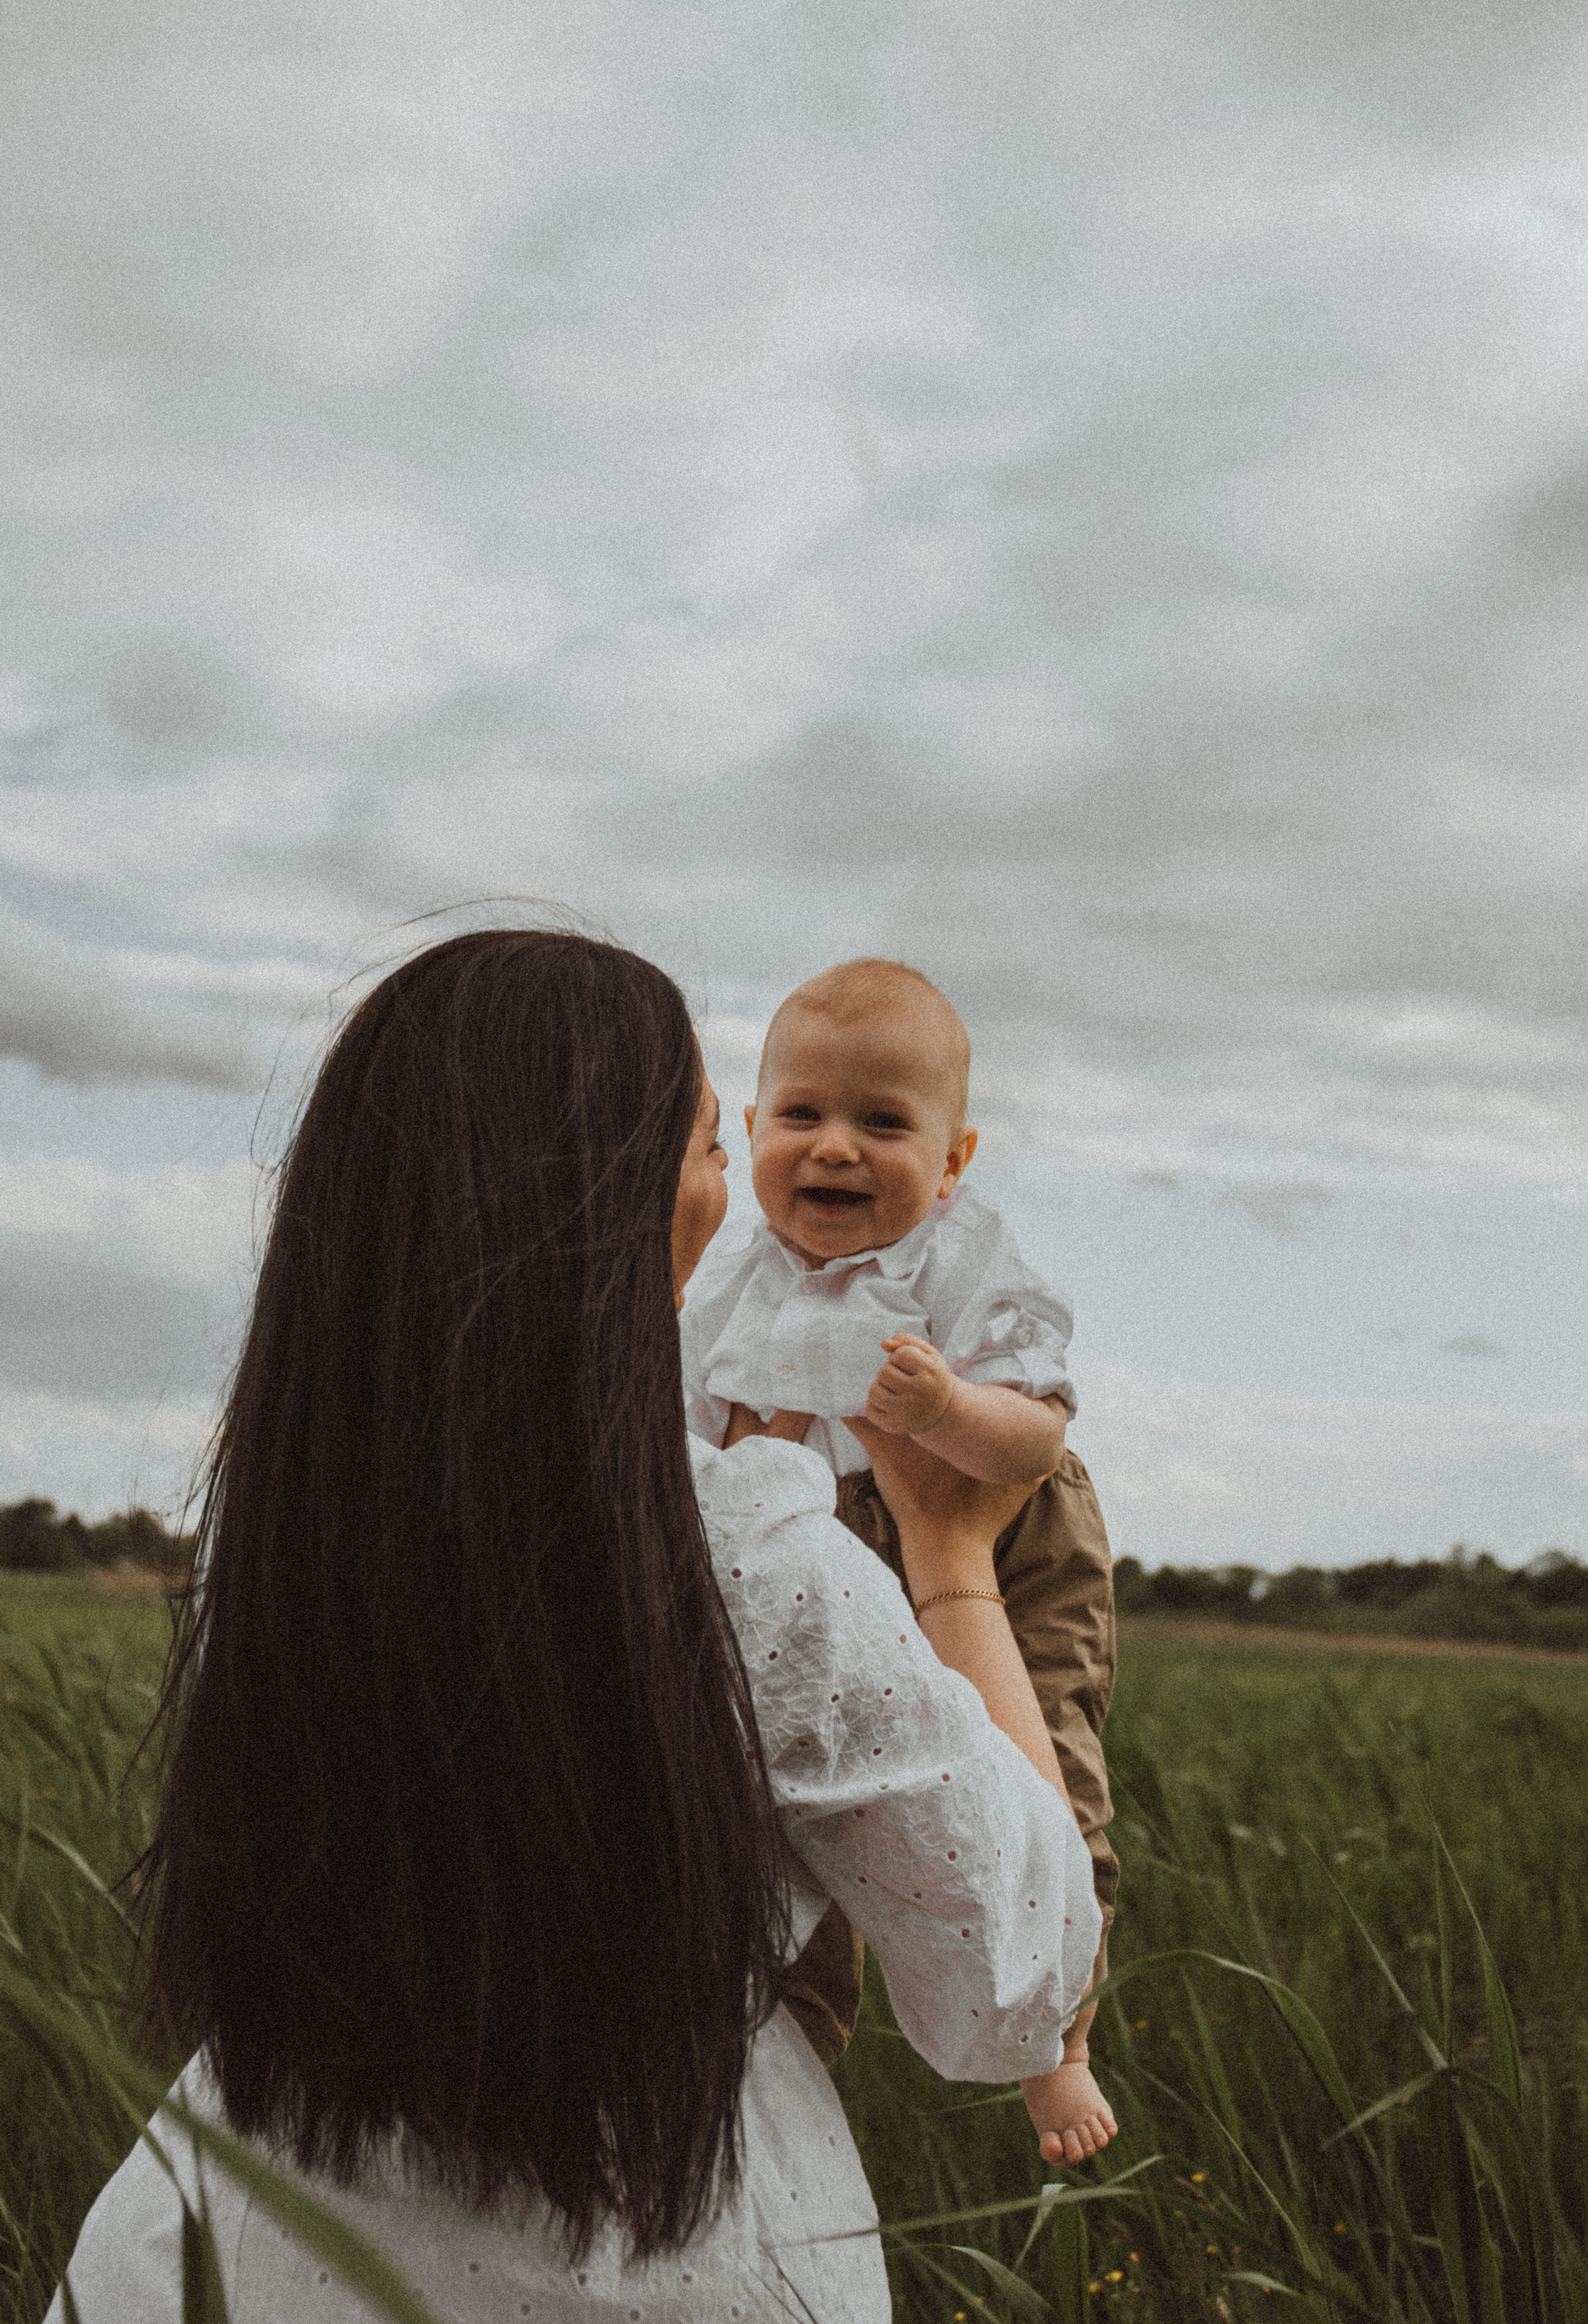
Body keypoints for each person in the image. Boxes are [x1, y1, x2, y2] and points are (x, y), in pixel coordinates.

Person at [48, 930, 1098, 2323]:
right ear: (629, 1198)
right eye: (710, 1143)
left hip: (224, 2241)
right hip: (668, 2254)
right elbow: (1018, 1973)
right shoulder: (738, 1553)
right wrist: (954, 1563)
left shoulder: (283, 1521)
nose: (737, 1186)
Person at [681, 957, 1118, 2163]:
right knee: (795, 1784)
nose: (835, 1150)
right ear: (754, 1127)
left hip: (1000, 1526)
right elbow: (684, 1426)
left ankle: (1059, 2042)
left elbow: (1035, 1437)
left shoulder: (963, 1259)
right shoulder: (730, 1286)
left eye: (884, 1123)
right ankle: (797, 2029)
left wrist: (946, 1414)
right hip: (829, 1523)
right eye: (801, 1117)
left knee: (1041, 1754)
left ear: (955, 1160)